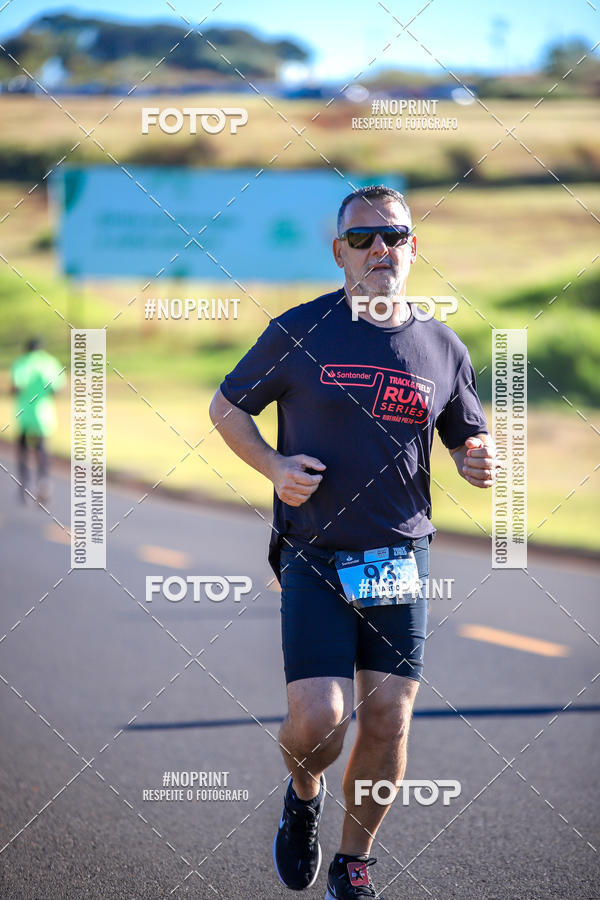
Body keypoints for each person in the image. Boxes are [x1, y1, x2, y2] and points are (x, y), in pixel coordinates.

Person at [209, 185, 496, 899]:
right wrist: (273, 467)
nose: (379, 251)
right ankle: (304, 791)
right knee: (319, 717)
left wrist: (478, 457)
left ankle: (353, 862)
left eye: (392, 236)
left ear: (412, 247)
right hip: (313, 550)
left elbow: (467, 434)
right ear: (339, 251)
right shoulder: (299, 331)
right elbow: (225, 408)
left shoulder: (441, 345)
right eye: (362, 239)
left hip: (398, 554)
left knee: (389, 715)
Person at [10, 337, 65, 505]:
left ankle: (24, 485)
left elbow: (15, 388)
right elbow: (57, 390)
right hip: (44, 415)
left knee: (23, 451)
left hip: (24, 415)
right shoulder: (50, 363)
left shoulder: (22, 363)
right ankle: (44, 482)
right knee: (41, 450)